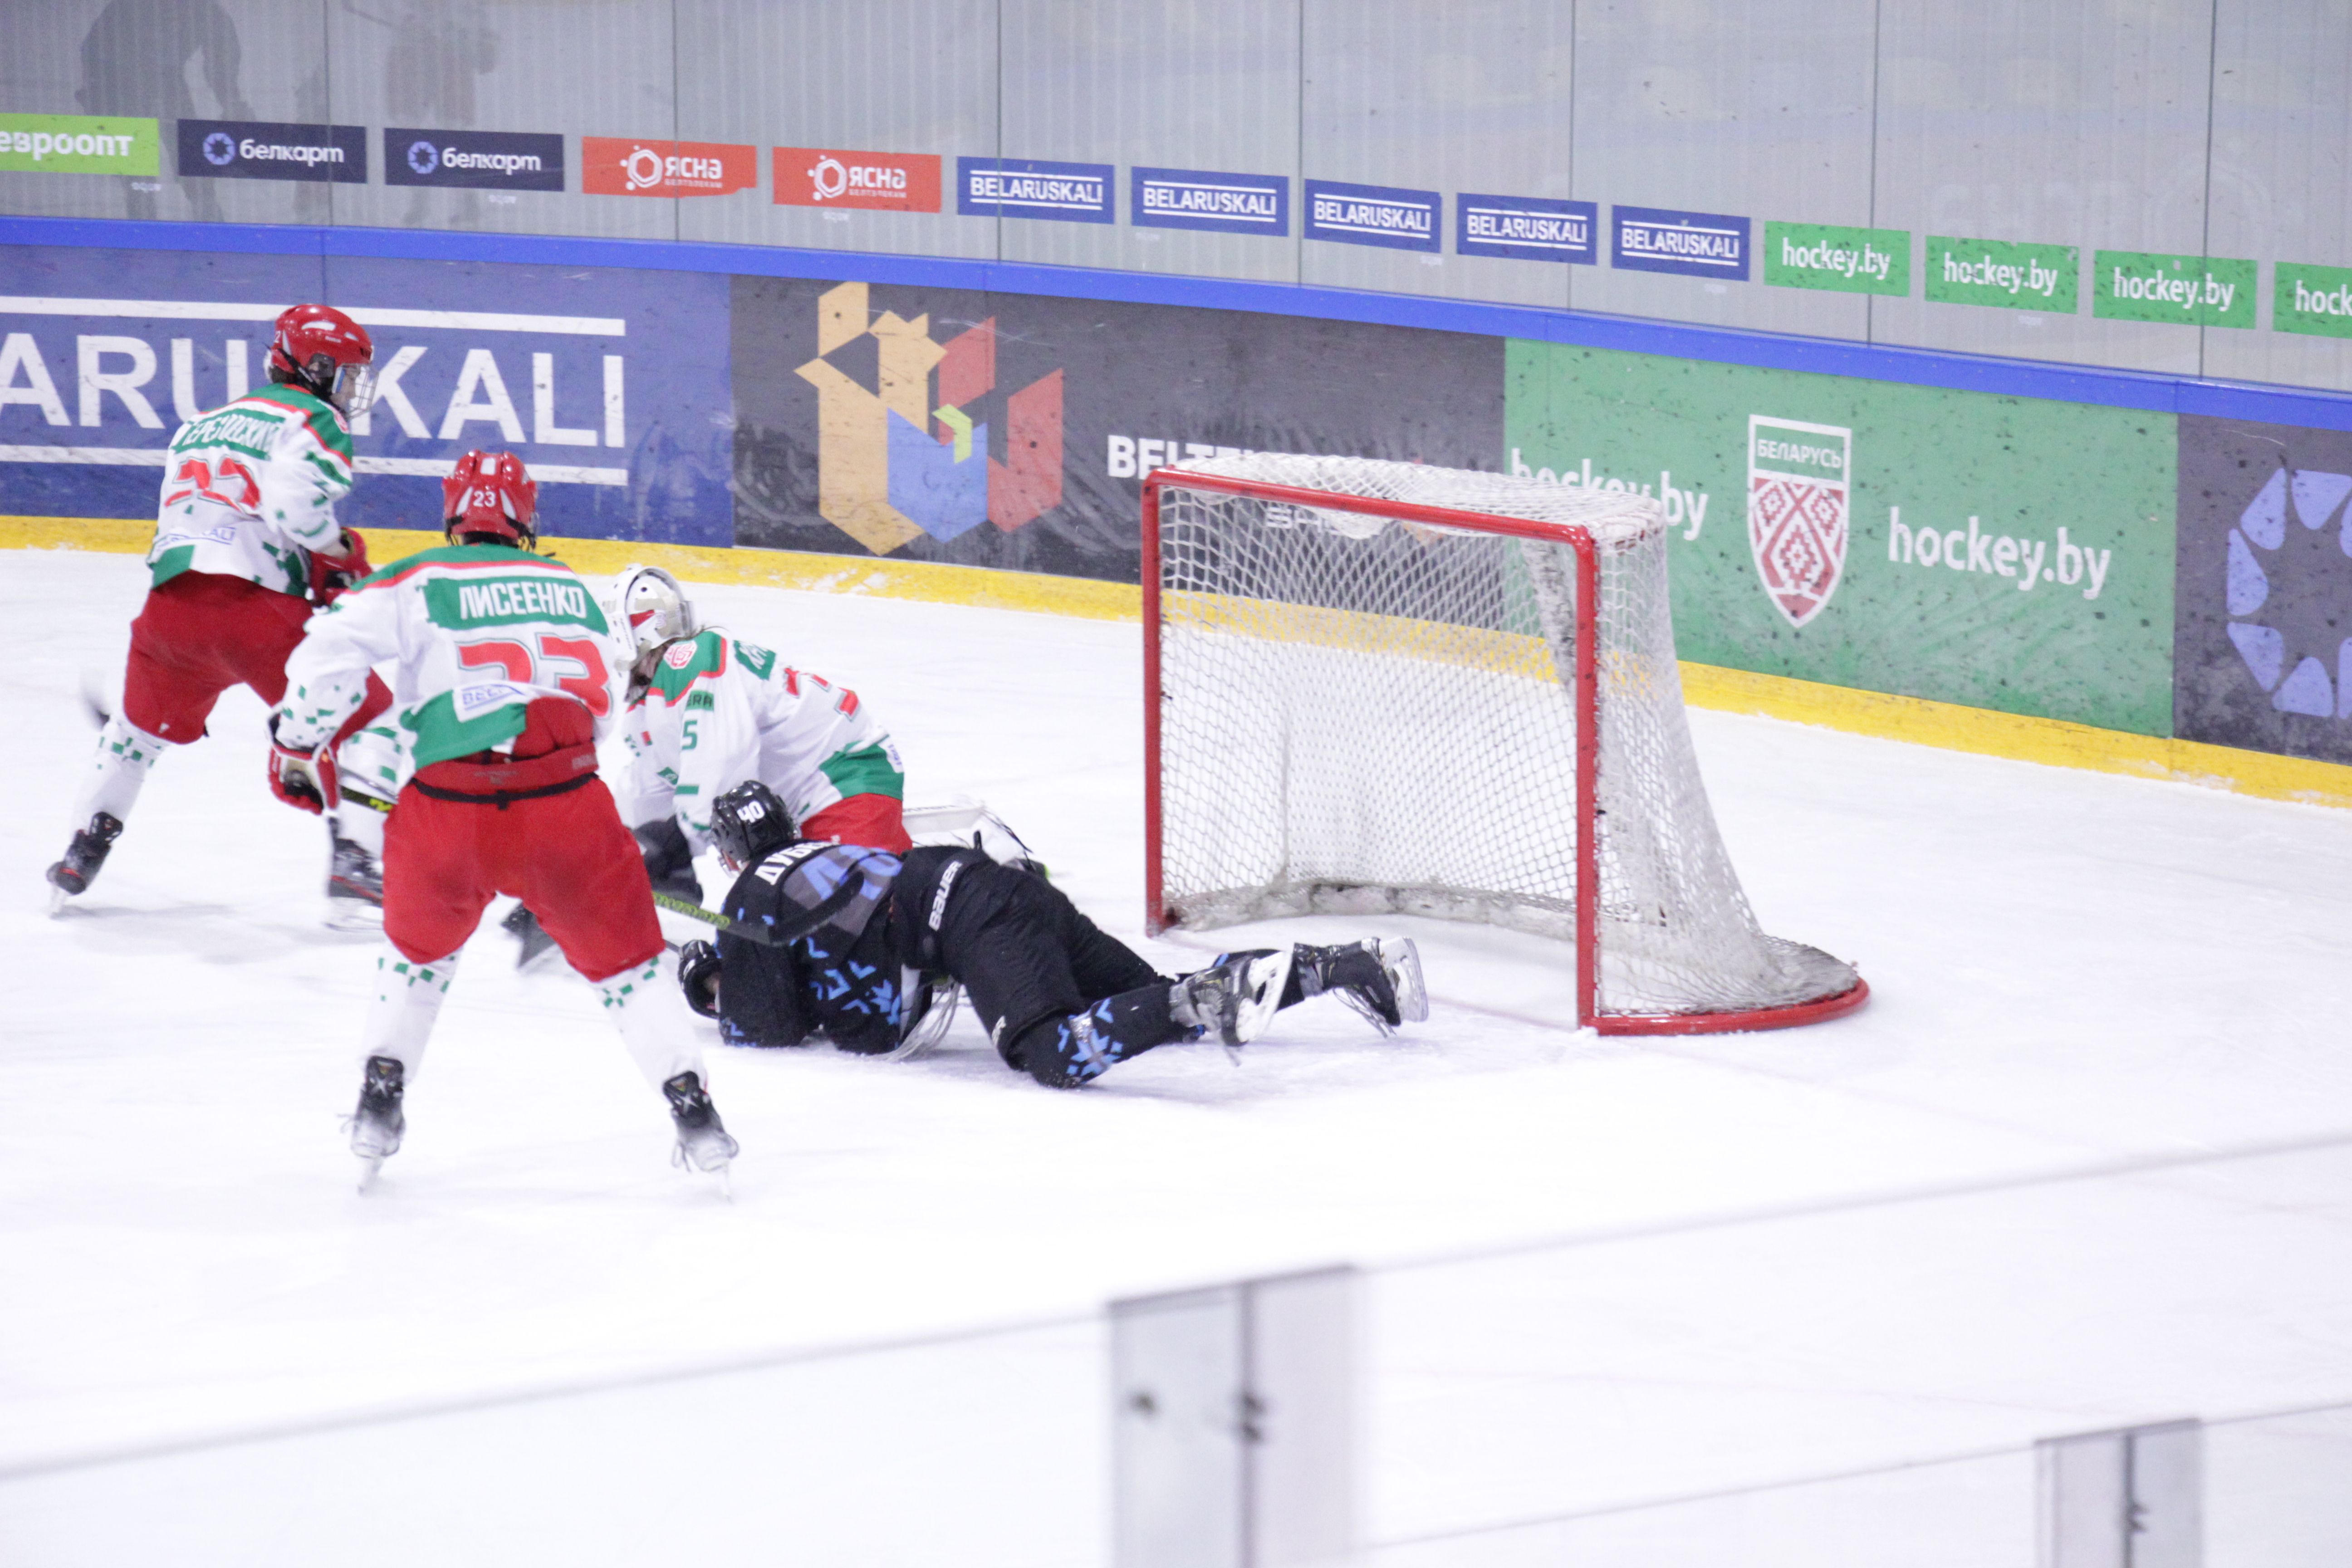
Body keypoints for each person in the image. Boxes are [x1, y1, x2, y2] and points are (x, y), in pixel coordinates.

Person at [270, 451, 736, 1182]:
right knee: (632, 971)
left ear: (454, 514)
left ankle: (379, 1097)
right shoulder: (572, 589)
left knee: (417, 961)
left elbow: (327, 650)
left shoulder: (416, 576)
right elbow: (602, 713)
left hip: (448, 810)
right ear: (526, 517)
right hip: (567, 807)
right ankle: (693, 1109)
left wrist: (297, 743)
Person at [676, 780, 1427, 1089]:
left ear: (731, 855)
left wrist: (709, 980)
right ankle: (1346, 966)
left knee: (1054, 1053)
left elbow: (772, 1031)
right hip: (995, 886)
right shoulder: (828, 854)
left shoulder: (750, 900)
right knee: (1146, 1004)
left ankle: (1206, 996)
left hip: (966, 913)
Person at [47, 304, 396, 916]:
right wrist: (338, 552)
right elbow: (292, 508)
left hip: (169, 613)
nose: (347, 391)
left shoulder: (200, 425)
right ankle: (354, 859)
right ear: (314, 368)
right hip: (256, 613)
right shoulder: (313, 418)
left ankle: (83, 849)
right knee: (371, 722)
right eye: (343, 374)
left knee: (133, 737)